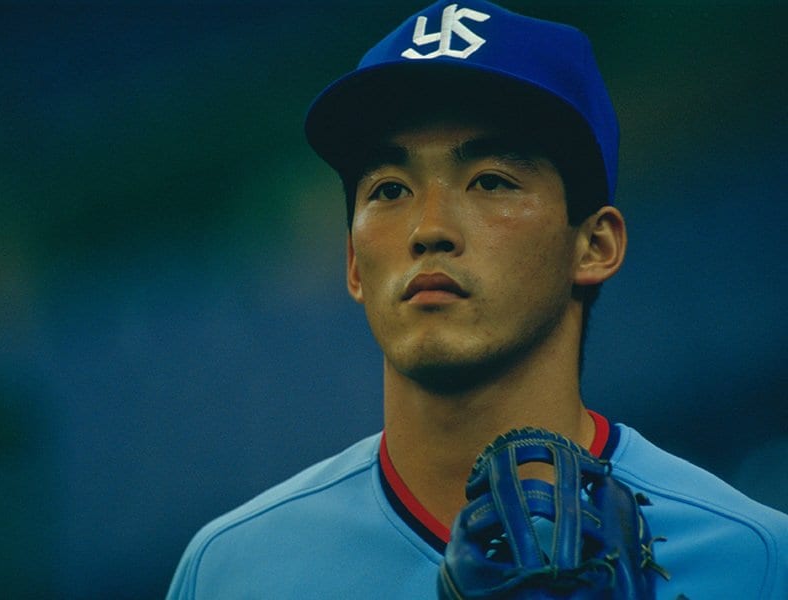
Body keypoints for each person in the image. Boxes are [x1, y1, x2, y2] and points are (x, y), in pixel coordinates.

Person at [167, 1, 788, 598]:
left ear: (594, 245)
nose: (428, 229)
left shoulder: (754, 561)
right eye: (389, 189)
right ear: (353, 262)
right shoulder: (228, 572)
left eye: (491, 181)